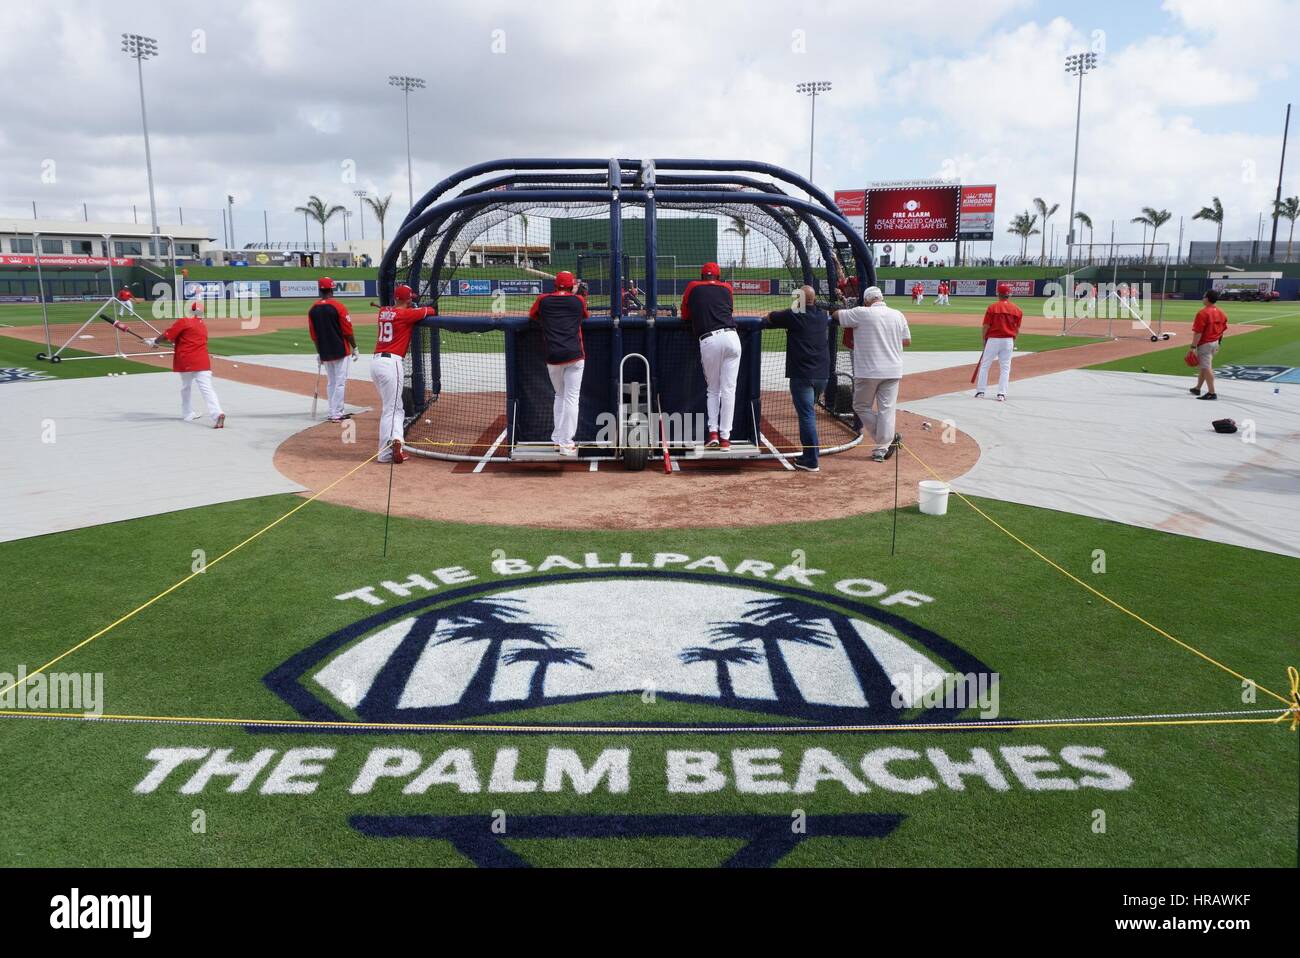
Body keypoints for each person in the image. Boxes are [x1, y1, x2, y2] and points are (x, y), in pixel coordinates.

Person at [832, 285, 910, 462]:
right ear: (881, 298)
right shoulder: (898, 314)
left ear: (867, 300)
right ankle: (883, 446)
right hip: (893, 369)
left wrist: (840, 306)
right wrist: (887, 341)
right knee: (887, 410)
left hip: (868, 371)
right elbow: (907, 341)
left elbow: (836, 316)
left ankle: (885, 442)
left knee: (860, 406)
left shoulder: (861, 312)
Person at [765, 285, 831, 472]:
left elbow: (771, 317)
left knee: (807, 416)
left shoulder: (793, 314)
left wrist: (796, 305)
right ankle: (809, 455)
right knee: (809, 413)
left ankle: (811, 459)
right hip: (822, 375)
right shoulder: (821, 315)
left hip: (802, 375)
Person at [372, 284, 436, 463]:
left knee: (393, 408)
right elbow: (430, 310)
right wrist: (416, 307)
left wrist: (407, 307)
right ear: (406, 299)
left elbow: (391, 311)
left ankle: (395, 442)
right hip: (391, 363)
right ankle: (389, 449)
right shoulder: (406, 314)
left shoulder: (383, 312)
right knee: (392, 410)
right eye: (410, 298)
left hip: (376, 364)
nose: (412, 300)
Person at [528, 270, 589, 456]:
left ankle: (557, 439)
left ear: (556, 284)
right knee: (571, 398)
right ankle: (566, 443)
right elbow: (585, 316)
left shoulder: (543, 299)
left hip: (553, 357)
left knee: (559, 396)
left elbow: (533, 315)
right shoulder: (578, 301)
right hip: (574, 355)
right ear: (572, 285)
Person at [681, 262, 740, 449]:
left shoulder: (693, 286)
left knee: (714, 390)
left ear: (702, 275)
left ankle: (713, 433)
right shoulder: (727, 288)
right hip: (732, 338)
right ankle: (725, 438)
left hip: (710, 339)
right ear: (718, 276)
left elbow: (685, 315)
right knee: (729, 390)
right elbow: (729, 310)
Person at [146, 300, 225, 428]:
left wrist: (155, 341)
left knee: (186, 387)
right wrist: (163, 341)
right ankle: (218, 413)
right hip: (203, 362)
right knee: (207, 389)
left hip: (186, 361)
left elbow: (167, 335)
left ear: (191, 310)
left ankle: (188, 413)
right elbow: (185, 338)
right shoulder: (202, 326)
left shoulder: (184, 321)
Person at [307, 276, 357, 423]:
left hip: (325, 352)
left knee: (331, 382)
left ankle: (332, 410)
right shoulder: (338, 306)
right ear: (332, 289)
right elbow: (347, 331)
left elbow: (314, 336)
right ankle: (337, 412)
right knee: (340, 382)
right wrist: (355, 347)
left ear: (320, 290)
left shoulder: (313, 309)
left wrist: (319, 352)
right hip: (341, 350)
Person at [974, 282, 1023, 401]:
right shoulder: (1017, 309)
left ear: (998, 294)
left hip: (993, 340)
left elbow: (986, 325)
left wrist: (984, 339)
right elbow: (1017, 328)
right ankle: (1001, 394)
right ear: (1009, 295)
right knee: (1005, 368)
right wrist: (1013, 339)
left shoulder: (992, 307)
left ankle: (981, 391)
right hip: (1008, 340)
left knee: (985, 366)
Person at [1190, 289, 1228, 400]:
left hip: (1205, 344)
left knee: (1206, 368)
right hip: (1215, 342)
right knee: (1204, 366)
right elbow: (1222, 330)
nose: (1203, 298)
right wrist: (1219, 344)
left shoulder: (1202, 313)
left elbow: (1198, 332)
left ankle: (1212, 393)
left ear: (1207, 298)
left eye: (1204, 296)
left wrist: (1193, 347)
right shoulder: (1222, 313)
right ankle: (1197, 388)